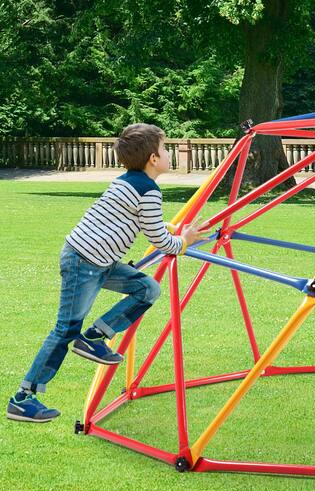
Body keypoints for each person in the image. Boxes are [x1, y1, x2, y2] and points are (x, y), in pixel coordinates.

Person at [6, 123, 209, 423]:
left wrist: (170, 229)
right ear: (153, 158)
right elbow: (161, 242)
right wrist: (185, 240)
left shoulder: (127, 182)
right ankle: (24, 398)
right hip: (84, 262)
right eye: (165, 149)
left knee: (147, 289)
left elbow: (142, 220)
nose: (168, 154)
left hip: (100, 261)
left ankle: (95, 336)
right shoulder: (148, 191)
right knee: (66, 328)